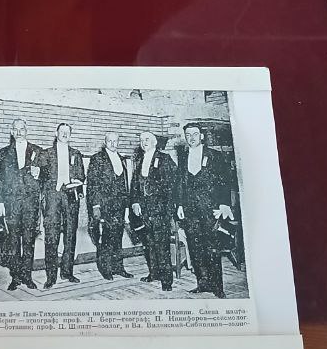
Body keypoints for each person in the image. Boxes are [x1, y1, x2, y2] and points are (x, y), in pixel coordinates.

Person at [176, 123, 235, 297]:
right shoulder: (183, 156)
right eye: (188, 135)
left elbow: (225, 181)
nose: (191, 138)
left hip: (210, 209)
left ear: (201, 136)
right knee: (195, 248)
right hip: (190, 210)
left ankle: (217, 287)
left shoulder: (215, 155)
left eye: (195, 134)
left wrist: (224, 205)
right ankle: (203, 283)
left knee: (212, 248)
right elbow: (180, 183)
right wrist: (180, 205)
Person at [0, 119, 43, 291]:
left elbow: (47, 176)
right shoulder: (4, 152)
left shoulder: (37, 151)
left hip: (30, 204)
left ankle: (27, 276)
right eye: (16, 129)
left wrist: (39, 174)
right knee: (12, 241)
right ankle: (15, 277)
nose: (19, 132)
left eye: (22, 129)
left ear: (26, 131)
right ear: (11, 132)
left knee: (28, 241)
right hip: (11, 203)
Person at [129, 131, 177, 291]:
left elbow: (172, 185)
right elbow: (135, 185)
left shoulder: (165, 159)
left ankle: (166, 281)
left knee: (162, 245)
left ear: (155, 142)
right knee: (149, 244)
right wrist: (135, 202)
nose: (144, 142)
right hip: (143, 211)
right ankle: (154, 273)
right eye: (141, 140)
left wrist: (167, 208)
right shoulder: (139, 160)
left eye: (147, 139)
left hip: (160, 211)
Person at [41, 121, 85, 288]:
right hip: (53, 198)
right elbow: (40, 177)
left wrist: (77, 181)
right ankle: (51, 277)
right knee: (51, 238)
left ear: (70, 135)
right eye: (62, 131)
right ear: (56, 133)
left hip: (71, 198)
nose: (65, 134)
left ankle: (67, 272)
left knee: (70, 237)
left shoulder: (76, 153)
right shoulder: (46, 153)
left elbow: (81, 175)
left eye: (68, 132)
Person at [86, 132, 133, 280]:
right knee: (105, 238)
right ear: (105, 142)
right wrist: (96, 206)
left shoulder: (122, 159)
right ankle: (105, 269)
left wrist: (126, 206)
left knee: (118, 237)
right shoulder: (97, 158)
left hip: (120, 206)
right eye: (110, 141)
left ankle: (118, 267)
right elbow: (92, 184)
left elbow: (124, 184)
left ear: (118, 142)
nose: (113, 144)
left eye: (115, 141)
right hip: (104, 206)